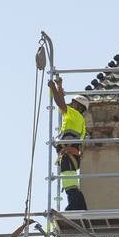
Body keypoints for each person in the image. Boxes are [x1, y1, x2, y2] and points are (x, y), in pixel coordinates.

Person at [48, 75, 89, 211]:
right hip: (71, 155)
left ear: (78, 106)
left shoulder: (74, 115)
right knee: (70, 182)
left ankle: (77, 206)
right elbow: (62, 103)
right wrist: (59, 85)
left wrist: (53, 87)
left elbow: (60, 103)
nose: (71, 104)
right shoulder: (78, 119)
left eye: (73, 103)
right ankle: (78, 205)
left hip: (68, 154)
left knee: (69, 183)